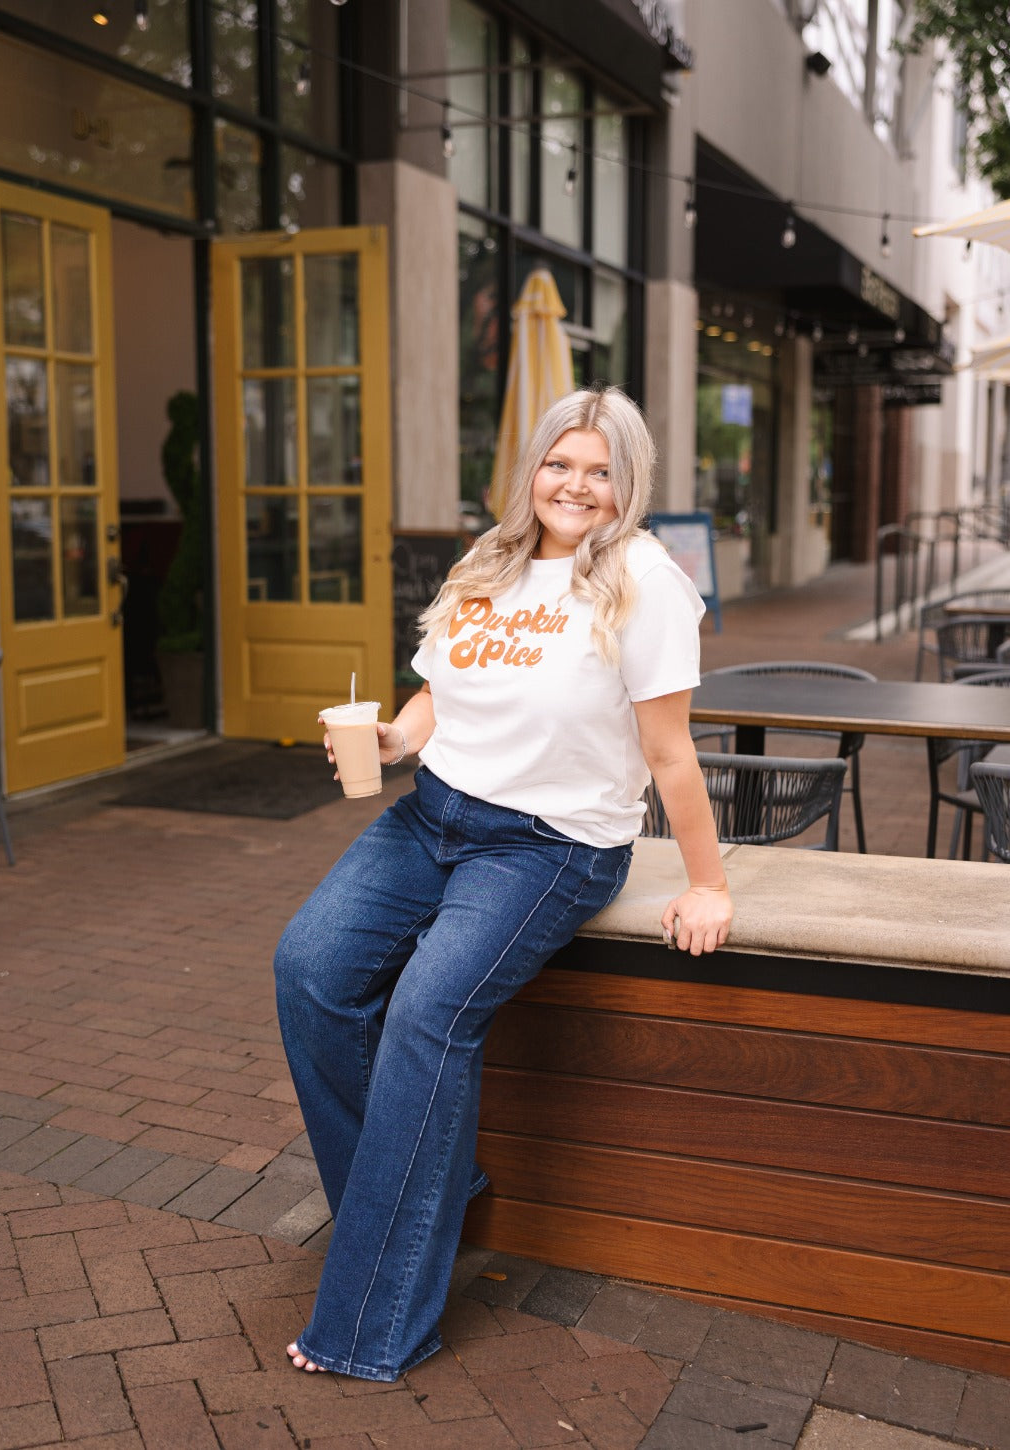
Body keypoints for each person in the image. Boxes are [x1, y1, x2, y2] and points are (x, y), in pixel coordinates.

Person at [273, 385, 733, 1383]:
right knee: (309, 966)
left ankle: (370, 1322)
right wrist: (394, 739)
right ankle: (429, 1182)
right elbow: (440, 687)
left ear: (628, 484)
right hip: (433, 812)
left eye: (599, 470)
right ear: (531, 468)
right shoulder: (491, 557)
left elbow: (670, 753)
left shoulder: (645, 581)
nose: (575, 485)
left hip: (549, 843)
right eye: (559, 463)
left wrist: (709, 884)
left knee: (426, 1016)